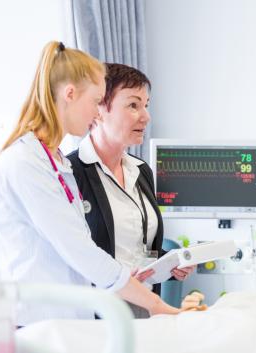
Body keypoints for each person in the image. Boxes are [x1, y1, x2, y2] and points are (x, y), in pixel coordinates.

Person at [0, 41, 180, 326]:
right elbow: (81, 251)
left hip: (67, 320)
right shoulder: (25, 162)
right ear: (70, 94)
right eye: (95, 101)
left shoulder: (55, 161)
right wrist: (157, 305)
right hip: (30, 323)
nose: (96, 113)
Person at [67, 63, 193, 318]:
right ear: (99, 109)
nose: (145, 116)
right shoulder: (71, 172)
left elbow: (139, 245)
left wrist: (170, 263)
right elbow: (73, 255)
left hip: (144, 306)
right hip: (99, 315)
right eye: (133, 105)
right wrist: (121, 278)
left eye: (146, 105)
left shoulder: (141, 170)